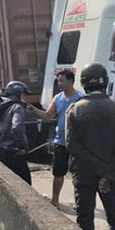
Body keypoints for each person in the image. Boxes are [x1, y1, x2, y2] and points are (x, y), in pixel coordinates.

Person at [65, 63, 115, 230]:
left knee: (85, 220)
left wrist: (97, 169)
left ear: (83, 84)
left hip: (83, 175)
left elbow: (72, 145)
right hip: (110, 177)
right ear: (106, 82)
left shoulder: (74, 110)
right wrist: (106, 174)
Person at [27, 70, 84, 207]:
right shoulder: (57, 98)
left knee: (79, 174)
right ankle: (55, 200)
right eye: (58, 81)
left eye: (62, 81)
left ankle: (79, 202)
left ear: (71, 81)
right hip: (61, 141)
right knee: (58, 173)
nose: (60, 84)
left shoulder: (81, 98)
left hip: (77, 142)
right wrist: (35, 110)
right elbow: (48, 116)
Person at [0, 81, 32, 184]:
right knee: (24, 185)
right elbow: (16, 127)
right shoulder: (17, 108)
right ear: (18, 94)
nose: (25, 97)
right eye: (24, 94)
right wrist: (21, 147)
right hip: (15, 154)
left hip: (2, 153)